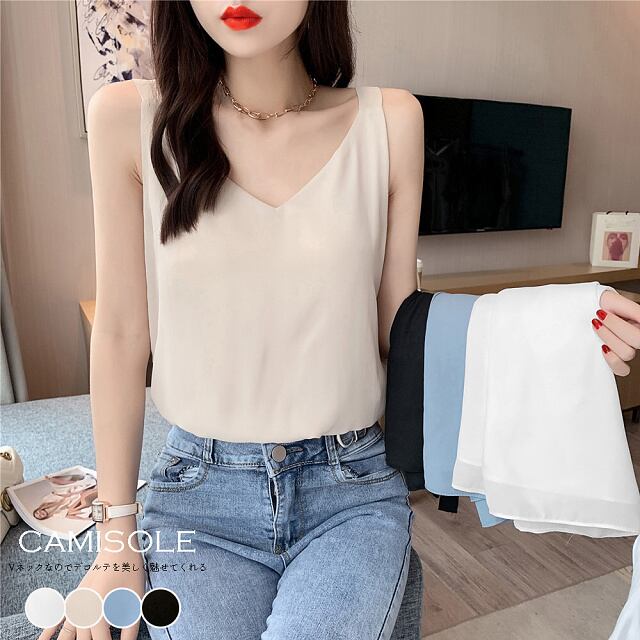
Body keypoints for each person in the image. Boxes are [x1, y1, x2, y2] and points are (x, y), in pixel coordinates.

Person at [42, 2, 640, 639]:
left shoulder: (391, 122)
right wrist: (115, 539)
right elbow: (120, 335)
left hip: (348, 490)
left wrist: (553, 339)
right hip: (199, 496)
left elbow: (397, 327)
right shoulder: (129, 119)